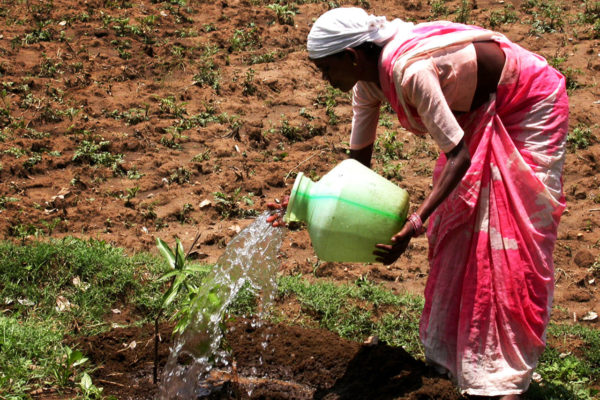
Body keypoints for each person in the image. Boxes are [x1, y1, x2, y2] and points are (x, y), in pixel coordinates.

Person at [270, 7, 568, 399]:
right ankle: (455, 365)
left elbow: (458, 157)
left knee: (505, 245)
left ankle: (502, 378)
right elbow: (356, 169)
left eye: (327, 69)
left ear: (353, 56)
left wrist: (414, 222)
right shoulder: (367, 86)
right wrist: (306, 206)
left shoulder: (411, 72)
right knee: (455, 230)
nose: (326, 81)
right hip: (475, 113)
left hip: (526, 104)